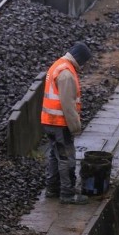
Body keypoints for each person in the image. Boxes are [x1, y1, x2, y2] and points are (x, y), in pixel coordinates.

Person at [40, 42, 92, 204]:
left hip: (49, 120)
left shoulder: (58, 65)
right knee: (66, 157)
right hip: (60, 123)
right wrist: (75, 126)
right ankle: (67, 193)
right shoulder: (67, 74)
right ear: (79, 59)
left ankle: (52, 188)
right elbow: (68, 104)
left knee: (54, 156)